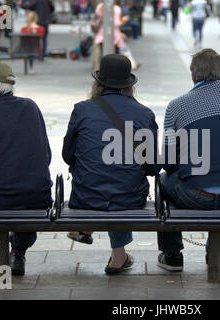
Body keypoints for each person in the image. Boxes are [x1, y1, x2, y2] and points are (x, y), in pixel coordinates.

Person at [157, 48, 220, 271]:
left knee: (162, 182)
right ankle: (218, 254)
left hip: (195, 196)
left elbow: (169, 163)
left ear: (192, 74)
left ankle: (173, 255)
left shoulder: (175, 106)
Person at [62, 54, 159, 275]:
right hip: (129, 197)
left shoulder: (82, 109)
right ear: (129, 85)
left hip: (86, 195)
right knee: (120, 180)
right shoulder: (144, 114)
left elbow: (68, 156)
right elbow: (153, 167)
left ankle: (85, 228)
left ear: (98, 83)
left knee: (102, 175)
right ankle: (118, 257)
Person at [0, 62, 53, 275]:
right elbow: (47, 155)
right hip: (35, 196)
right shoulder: (31, 107)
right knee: (28, 194)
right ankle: (18, 254)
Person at [91, 0, 140, 71]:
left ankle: (102, 70)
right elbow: (117, 23)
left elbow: (97, 19)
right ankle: (121, 68)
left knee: (103, 55)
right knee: (116, 55)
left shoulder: (99, 7)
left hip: (101, 35)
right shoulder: (116, 9)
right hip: (114, 36)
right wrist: (124, 20)